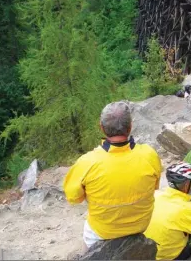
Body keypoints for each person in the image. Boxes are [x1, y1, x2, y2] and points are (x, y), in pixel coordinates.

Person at [63, 101, 162, 250]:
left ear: (101, 128)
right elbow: (155, 186)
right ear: (130, 127)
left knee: (87, 232)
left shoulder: (87, 162)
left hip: (103, 231)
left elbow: (74, 198)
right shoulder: (149, 155)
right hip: (140, 226)